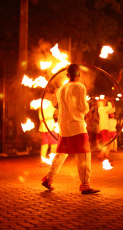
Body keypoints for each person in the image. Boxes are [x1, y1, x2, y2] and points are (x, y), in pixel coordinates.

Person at [41, 64, 100, 195]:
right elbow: (82, 107)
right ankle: (85, 185)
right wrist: (88, 111)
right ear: (78, 75)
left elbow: (57, 106)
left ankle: (48, 178)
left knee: (61, 154)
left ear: (67, 75)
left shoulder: (61, 89)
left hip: (64, 126)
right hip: (77, 125)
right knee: (84, 155)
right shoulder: (80, 86)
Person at [38, 98, 58, 165]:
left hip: (45, 128)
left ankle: (43, 160)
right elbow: (42, 118)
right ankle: (52, 160)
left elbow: (55, 111)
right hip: (49, 127)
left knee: (45, 144)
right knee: (54, 143)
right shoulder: (46, 104)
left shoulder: (46, 104)